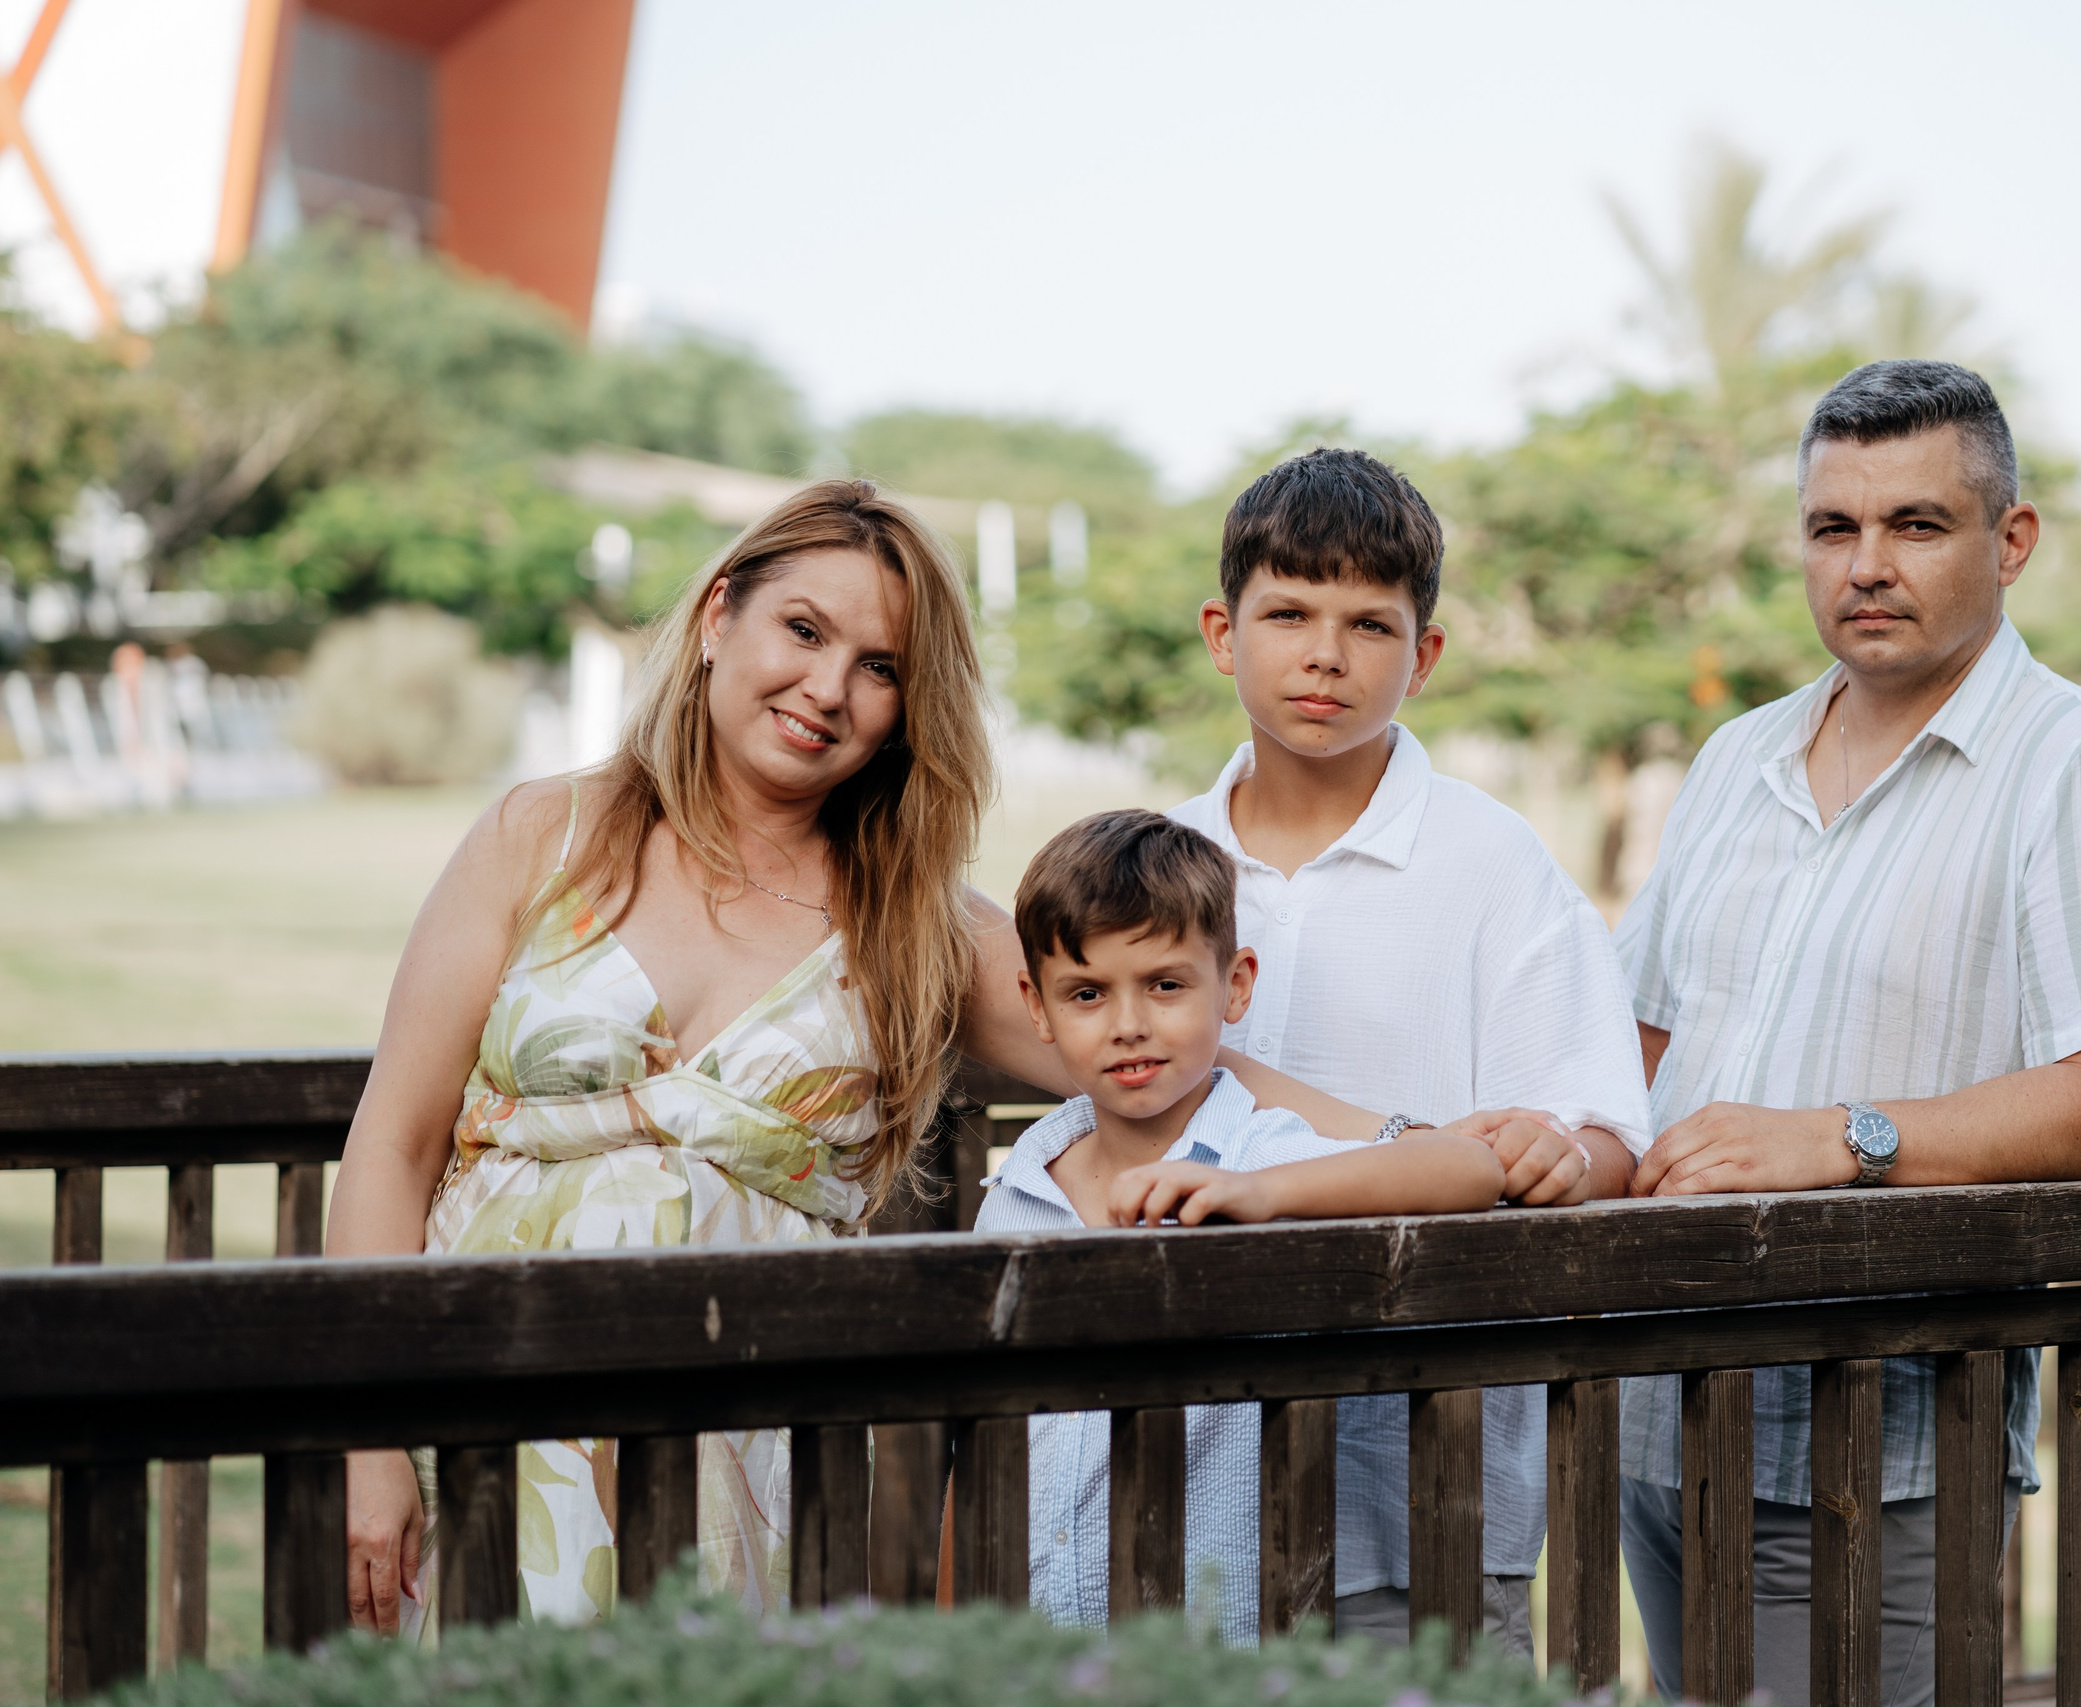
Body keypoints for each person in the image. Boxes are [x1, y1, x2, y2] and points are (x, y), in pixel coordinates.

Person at [324, 481, 1488, 1635]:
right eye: (803, 630)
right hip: (480, 1403)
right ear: (721, 611)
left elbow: (1165, 1047)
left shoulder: (913, 925)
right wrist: (373, 1444)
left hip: (751, 1445)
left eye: (880, 667)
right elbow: (394, 1140)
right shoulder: (546, 833)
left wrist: (1417, 1148)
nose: (828, 689)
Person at [1613, 361, 2081, 1706]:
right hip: (1651, 1401)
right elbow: (1636, 1041)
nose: (1867, 565)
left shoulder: (2077, 761)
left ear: (2011, 540)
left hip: (1874, 1431)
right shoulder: (1735, 757)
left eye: (1916, 525)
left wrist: (1838, 1139)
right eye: (1834, 528)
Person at [1166, 447, 1655, 1658]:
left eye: (1368, 624)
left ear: (1421, 657)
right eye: (1286, 613)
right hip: (1182, 1464)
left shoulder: (1494, 867)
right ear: (1224, 634)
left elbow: (1604, 1134)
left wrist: (1557, 1159)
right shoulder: (1158, 863)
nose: (1323, 653)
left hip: (1427, 1477)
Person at [975, 809, 1505, 1644]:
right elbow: (981, 1441)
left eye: (1166, 984)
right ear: (1035, 1007)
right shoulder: (1018, 1186)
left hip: (1214, 1649)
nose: (1128, 1024)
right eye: (1086, 993)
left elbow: (1470, 1168)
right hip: (1033, 1646)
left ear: (1237, 984)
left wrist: (1260, 1192)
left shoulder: (1259, 1153)